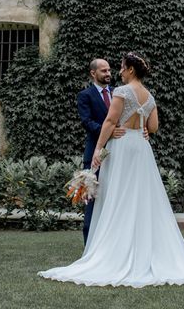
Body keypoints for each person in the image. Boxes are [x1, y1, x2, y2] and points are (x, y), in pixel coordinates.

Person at [39, 53, 184, 287]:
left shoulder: (121, 91)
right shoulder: (150, 96)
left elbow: (110, 122)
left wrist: (98, 150)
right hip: (141, 150)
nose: (118, 72)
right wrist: (142, 131)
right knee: (140, 200)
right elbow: (152, 127)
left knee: (117, 198)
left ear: (130, 70)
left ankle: (112, 253)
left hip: (121, 148)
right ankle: (139, 251)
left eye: (121, 68)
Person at [76, 58, 126, 244]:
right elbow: (87, 122)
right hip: (95, 155)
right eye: (103, 71)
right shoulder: (85, 95)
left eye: (109, 70)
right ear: (93, 73)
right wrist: (110, 132)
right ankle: (89, 248)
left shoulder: (118, 93)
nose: (108, 74)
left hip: (119, 154)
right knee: (92, 200)